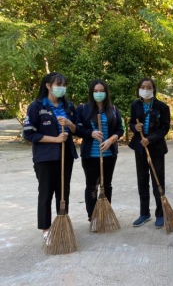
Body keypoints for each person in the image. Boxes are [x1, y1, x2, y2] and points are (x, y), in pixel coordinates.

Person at [23, 72, 79, 242]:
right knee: (46, 193)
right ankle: (46, 230)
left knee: (63, 193)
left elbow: (77, 129)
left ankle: (62, 226)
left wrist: (69, 124)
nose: (61, 88)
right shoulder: (37, 106)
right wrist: (55, 140)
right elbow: (28, 133)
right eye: (58, 85)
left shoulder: (68, 106)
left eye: (63, 85)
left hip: (66, 156)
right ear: (48, 86)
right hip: (45, 158)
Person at [76, 79, 124, 226]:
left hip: (109, 155)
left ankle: (105, 213)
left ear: (106, 92)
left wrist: (111, 140)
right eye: (95, 91)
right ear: (91, 93)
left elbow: (120, 130)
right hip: (90, 155)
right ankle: (93, 217)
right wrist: (90, 133)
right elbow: (77, 130)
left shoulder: (114, 109)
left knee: (107, 185)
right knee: (91, 186)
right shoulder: (83, 109)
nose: (98, 94)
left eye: (101, 91)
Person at [129, 78, 170, 229]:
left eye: (149, 87)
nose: (145, 89)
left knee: (157, 180)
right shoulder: (135, 105)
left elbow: (165, 128)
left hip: (156, 148)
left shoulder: (162, 107)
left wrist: (150, 139)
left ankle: (160, 213)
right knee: (142, 179)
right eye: (142, 87)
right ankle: (144, 213)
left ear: (153, 89)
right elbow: (132, 122)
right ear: (139, 89)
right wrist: (135, 128)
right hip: (140, 147)